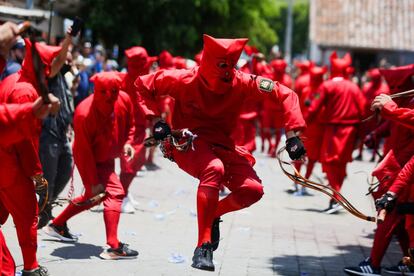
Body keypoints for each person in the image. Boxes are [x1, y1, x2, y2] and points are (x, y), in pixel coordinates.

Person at [134, 34, 306, 271]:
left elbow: (285, 93)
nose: (226, 73)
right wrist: (155, 119)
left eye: (231, 66)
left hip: (222, 146)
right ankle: (203, 246)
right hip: (187, 143)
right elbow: (142, 85)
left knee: (252, 190)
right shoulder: (183, 79)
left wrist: (292, 135)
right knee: (213, 168)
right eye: (221, 66)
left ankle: (212, 213)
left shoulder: (242, 81)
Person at [43, 72, 139, 260]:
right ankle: (113, 246)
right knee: (115, 192)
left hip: (107, 158)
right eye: (104, 93)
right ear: (96, 90)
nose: (109, 98)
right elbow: (82, 152)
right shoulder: (84, 113)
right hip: (92, 160)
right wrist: (92, 180)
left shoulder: (124, 100)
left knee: (93, 197)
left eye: (114, 92)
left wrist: (128, 143)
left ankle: (57, 225)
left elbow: (131, 125)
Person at [0, 34, 62, 276]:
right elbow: (24, 141)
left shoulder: (14, 80)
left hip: (6, 162)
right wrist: (36, 173)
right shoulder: (26, 90)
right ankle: (31, 268)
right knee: (27, 217)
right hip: (12, 166)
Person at [344, 64, 414, 276]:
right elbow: (398, 123)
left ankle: (373, 264)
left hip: (403, 168)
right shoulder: (407, 100)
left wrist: (390, 109)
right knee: (402, 217)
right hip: (400, 166)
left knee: (391, 213)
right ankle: (408, 262)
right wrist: (376, 133)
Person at [306, 51, 365, 214]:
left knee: (329, 162)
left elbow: (314, 108)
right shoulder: (354, 87)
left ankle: (337, 198)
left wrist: (302, 124)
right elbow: (364, 110)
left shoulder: (327, 85)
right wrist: (362, 134)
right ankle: (335, 198)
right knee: (340, 165)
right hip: (351, 130)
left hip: (333, 130)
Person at [38, 28, 75, 228]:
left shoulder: (63, 78)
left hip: (62, 135)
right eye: (65, 59)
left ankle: (45, 206)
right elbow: (58, 61)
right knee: (48, 179)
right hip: (49, 135)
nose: (68, 63)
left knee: (65, 170)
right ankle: (40, 213)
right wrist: (69, 38)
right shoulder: (49, 74)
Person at [118, 46, 157, 213]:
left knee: (139, 161)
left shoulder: (142, 80)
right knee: (129, 163)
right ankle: (121, 195)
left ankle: (124, 191)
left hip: (140, 127)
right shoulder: (126, 81)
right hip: (128, 129)